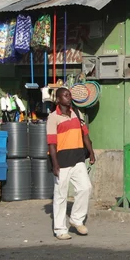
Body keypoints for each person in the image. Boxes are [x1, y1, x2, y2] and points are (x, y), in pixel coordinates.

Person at [47, 88, 95, 240]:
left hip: (78, 159)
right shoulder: (53, 117)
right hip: (62, 161)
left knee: (85, 188)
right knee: (60, 196)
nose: (69, 98)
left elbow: (85, 135)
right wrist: (55, 165)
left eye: (69, 95)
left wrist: (91, 153)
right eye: (65, 95)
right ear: (58, 99)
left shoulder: (77, 113)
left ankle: (76, 219)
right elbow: (51, 144)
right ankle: (60, 229)